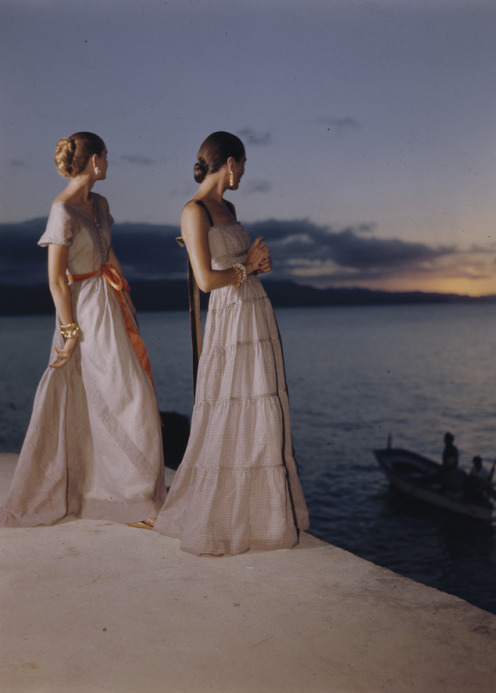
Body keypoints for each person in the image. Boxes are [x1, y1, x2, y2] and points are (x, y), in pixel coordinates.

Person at [152, 131, 309, 554]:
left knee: (262, 405)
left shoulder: (230, 207)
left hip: (255, 312)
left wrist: (257, 264)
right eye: (243, 164)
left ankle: (263, 517)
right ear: (231, 162)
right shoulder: (194, 210)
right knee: (231, 404)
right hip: (229, 318)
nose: (243, 173)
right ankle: (224, 517)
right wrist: (248, 269)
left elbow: (241, 268)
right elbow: (205, 282)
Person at [0, 132, 166, 527]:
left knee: (129, 393)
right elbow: (57, 280)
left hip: (111, 302)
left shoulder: (100, 204)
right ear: (94, 160)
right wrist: (70, 332)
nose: (108, 163)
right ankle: (131, 500)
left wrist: (127, 297)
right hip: (85, 312)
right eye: (106, 156)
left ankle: (133, 494)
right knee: (124, 397)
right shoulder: (62, 211)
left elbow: (109, 253)